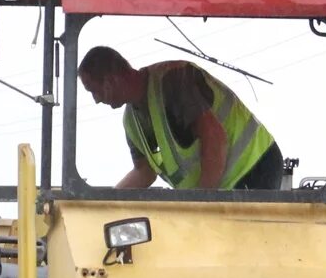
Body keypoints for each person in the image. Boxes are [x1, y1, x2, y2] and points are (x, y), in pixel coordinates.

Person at [77, 46, 283, 192]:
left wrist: (201, 201)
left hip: (253, 165)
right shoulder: (131, 121)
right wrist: (107, 201)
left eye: (94, 90)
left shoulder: (173, 81)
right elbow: (144, 172)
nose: (95, 100)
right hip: (220, 184)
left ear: (111, 80)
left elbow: (214, 138)